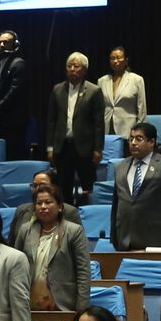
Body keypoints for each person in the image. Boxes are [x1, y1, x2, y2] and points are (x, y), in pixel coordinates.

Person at [111, 122, 161, 252]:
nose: (133, 143)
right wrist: (115, 238)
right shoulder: (120, 167)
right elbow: (116, 206)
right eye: (131, 139)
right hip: (125, 243)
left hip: (157, 243)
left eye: (139, 139)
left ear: (152, 142)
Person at [44, 51, 105, 207]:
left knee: (88, 187)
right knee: (63, 187)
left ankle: (88, 215)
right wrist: (50, 147)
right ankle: (67, 214)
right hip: (63, 147)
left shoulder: (94, 91)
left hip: (86, 148)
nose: (72, 69)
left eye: (76, 66)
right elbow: (51, 121)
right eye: (69, 66)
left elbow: (99, 123)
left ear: (84, 70)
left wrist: (98, 149)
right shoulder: (57, 89)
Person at [23, 183, 92, 313]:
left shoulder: (73, 231)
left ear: (60, 206)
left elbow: (83, 272)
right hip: (28, 305)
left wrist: (82, 309)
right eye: (39, 203)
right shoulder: (25, 231)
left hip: (63, 305)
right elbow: (15, 268)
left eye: (48, 202)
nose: (43, 207)